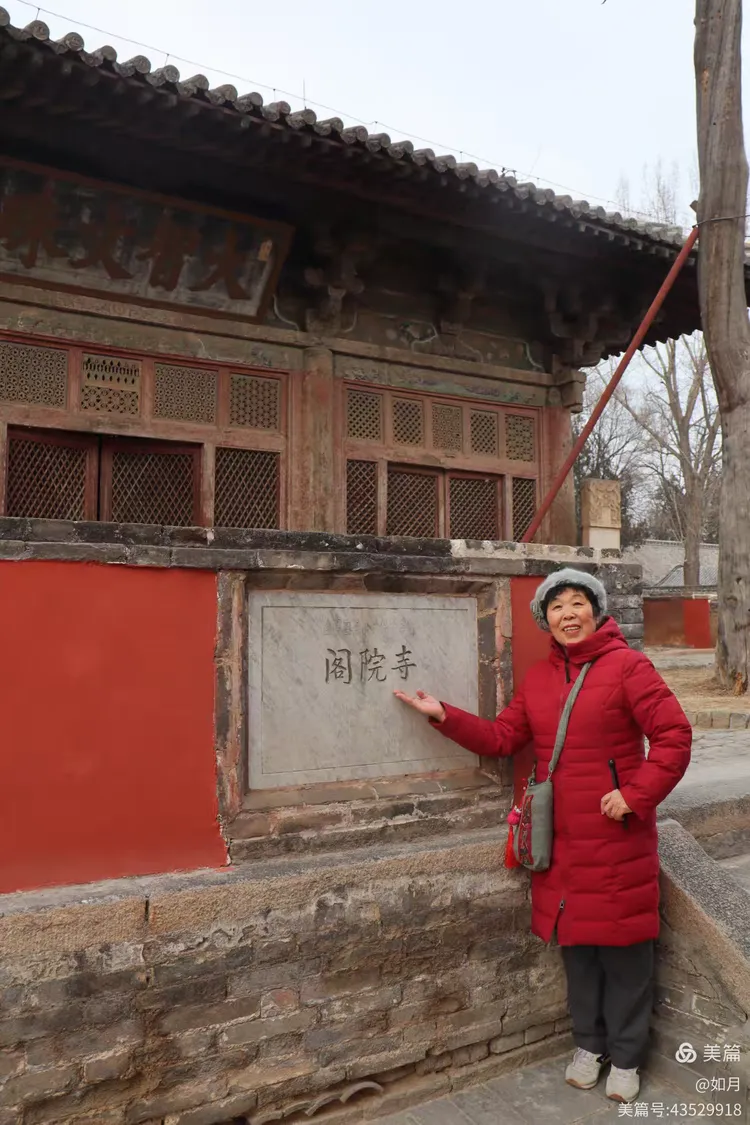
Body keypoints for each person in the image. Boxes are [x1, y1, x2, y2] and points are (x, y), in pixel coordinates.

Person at [394, 566, 691, 1105]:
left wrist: (635, 794)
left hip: (617, 836)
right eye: (557, 606)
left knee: (626, 954)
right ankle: (589, 1046)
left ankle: (627, 1056)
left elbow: (673, 735)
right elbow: (502, 737)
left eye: (578, 602)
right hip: (561, 842)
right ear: (546, 620)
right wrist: (443, 715)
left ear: (596, 611)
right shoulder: (537, 679)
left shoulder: (629, 666)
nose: (568, 614)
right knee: (577, 952)